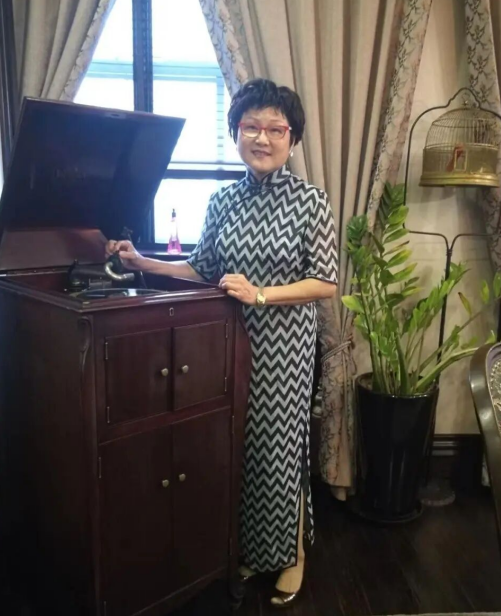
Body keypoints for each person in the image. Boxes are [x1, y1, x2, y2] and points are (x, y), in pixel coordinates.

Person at [106, 78, 338, 608]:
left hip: (285, 348)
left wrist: (261, 295)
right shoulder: (223, 200)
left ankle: (292, 554)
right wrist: (142, 262)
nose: (262, 138)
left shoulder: (311, 202)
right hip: (226, 344)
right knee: (239, 448)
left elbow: (325, 282)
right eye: (250, 127)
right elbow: (201, 269)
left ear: (293, 139)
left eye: (275, 129)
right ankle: (254, 548)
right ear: (235, 133)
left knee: (279, 451)